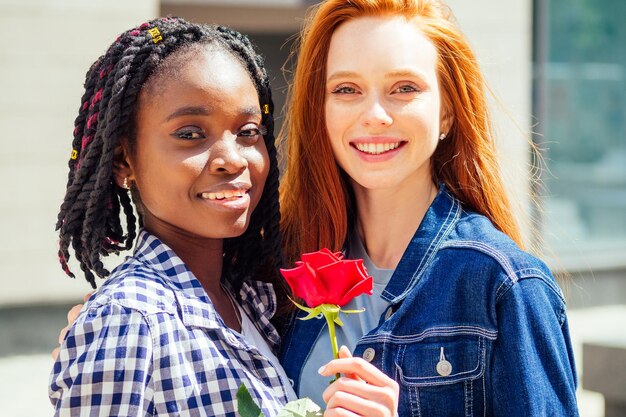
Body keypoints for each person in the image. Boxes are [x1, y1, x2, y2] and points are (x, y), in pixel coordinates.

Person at [50, 17, 397, 417]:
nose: (232, 159)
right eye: (190, 134)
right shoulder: (130, 320)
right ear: (124, 160)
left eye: (248, 131)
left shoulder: (251, 301)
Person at [278, 0, 580, 415]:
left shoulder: (506, 285)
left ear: (447, 114)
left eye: (404, 88)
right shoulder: (288, 266)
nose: (375, 115)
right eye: (346, 89)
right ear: (320, 110)